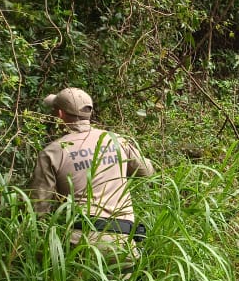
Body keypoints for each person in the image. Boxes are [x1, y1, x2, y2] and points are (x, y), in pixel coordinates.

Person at [28, 87, 154, 262]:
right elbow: (147, 172)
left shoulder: (52, 152)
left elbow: (39, 210)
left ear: (59, 114)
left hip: (79, 241)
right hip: (123, 239)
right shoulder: (117, 140)